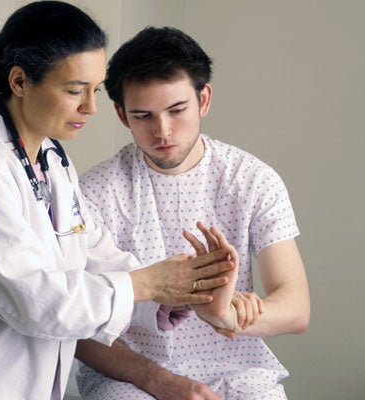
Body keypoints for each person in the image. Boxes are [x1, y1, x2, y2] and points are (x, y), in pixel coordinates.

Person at [0, 5, 239, 400]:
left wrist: (177, 293)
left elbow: (94, 254)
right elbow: (36, 301)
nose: (90, 107)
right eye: (75, 90)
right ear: (20, 81)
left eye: (95, 90)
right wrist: (148, 284)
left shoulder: (51, 161)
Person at [75, 26, 311, 400]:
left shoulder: (253, 180)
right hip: (129, 376)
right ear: (121, 115)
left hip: (238, 370)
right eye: (143, 115)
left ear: (204, 100)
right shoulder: (92, 192)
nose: (163, 131)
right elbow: (76, 322)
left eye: (177, 110)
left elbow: (296, 308)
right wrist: (156, 380)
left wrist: (228, 315)